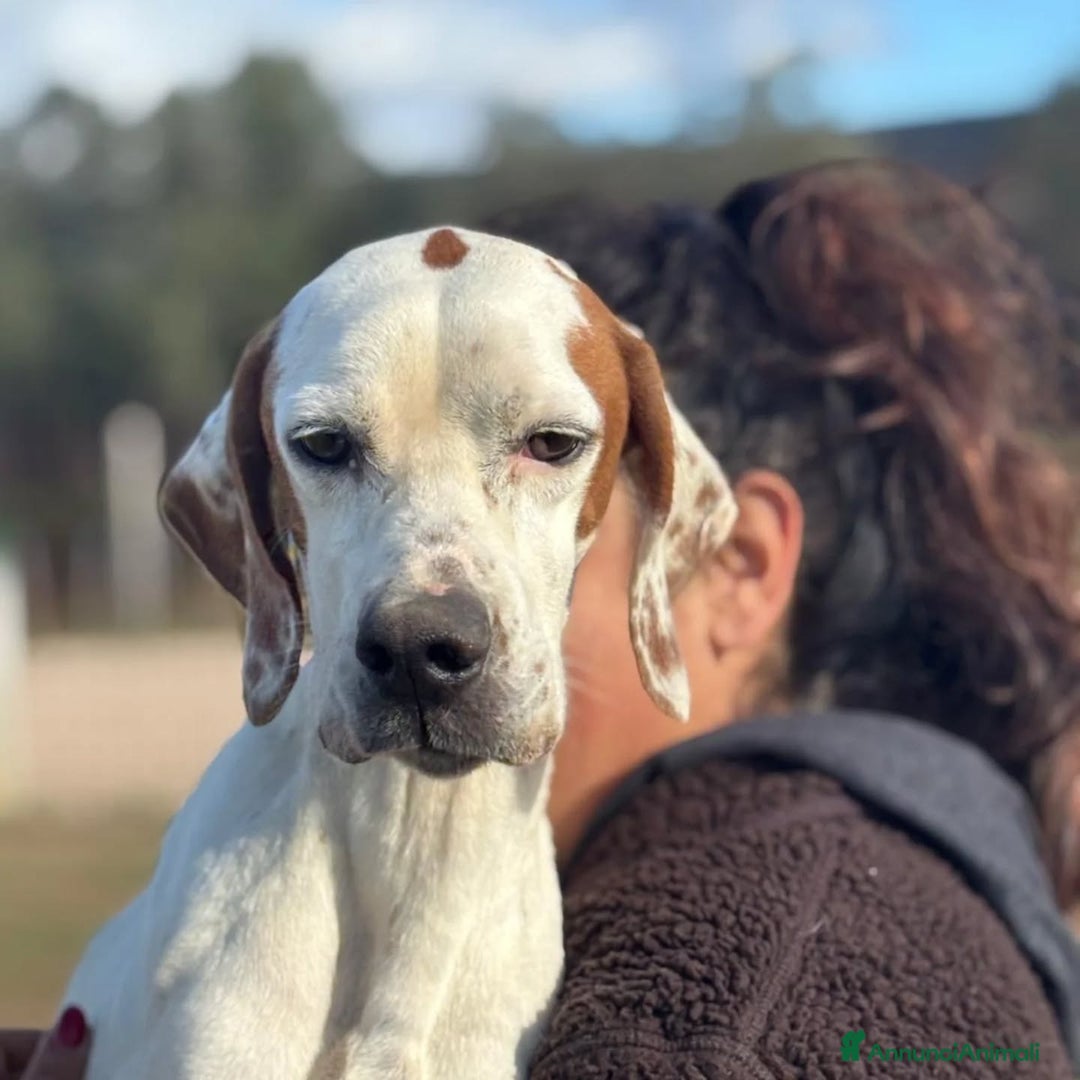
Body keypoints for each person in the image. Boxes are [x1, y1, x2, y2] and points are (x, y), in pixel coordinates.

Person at [4, 158, 1080, 1078]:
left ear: (716, 548)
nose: (427, 608)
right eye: (331, 449)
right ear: (259, 494)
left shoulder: (759, 982)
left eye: (549, 449)